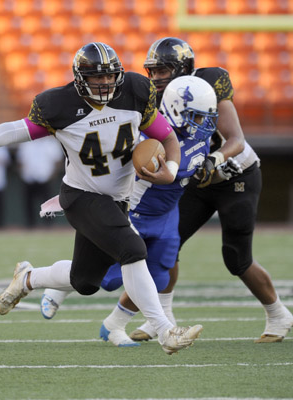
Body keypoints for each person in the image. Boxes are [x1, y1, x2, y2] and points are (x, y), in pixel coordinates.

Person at [0, 41, 203, 355]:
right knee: (133, 248)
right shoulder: (58, 104)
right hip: (81, 196)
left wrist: (169, 169)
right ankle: (166, 331)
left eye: (109, 76)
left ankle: (28, 278)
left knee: (85, 281)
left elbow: (166, 136)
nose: (104, 83)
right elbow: (20, 129)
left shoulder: (135, 92)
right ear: (79, 77)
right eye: (96, 77)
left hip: (116, 200)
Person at [127, 37, 293, 343]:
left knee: (236, 258)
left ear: (182, 69)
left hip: (235, 176)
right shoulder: (155, 98)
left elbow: (236, 139)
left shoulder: (208, 82)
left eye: (164, 70)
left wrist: (214, 158)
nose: (157, 77)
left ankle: (278, 314)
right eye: (154, 70)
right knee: (166, 245)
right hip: (196, 181)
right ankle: (161, 318)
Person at [40, 76, 219, 346]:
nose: (203, 124)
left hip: (167, 215)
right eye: (196, 116)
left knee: (158, 276)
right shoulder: (146, 135)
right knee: (106, 278)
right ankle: (55, 283)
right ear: (176, 109)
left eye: (206, 117)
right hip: (134, 210)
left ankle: (114, 325)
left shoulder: (199, 138)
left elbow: (192, 170)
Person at [16, 136, 64, 227]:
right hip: (29, 179)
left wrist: (52, 177)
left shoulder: (51, 143)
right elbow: (20, 161)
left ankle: (49, 225)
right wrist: (23, 175)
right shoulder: (26, 143)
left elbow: (58, 161)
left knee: (48, 204)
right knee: (29, 205)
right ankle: (30, 225)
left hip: (45, 179)